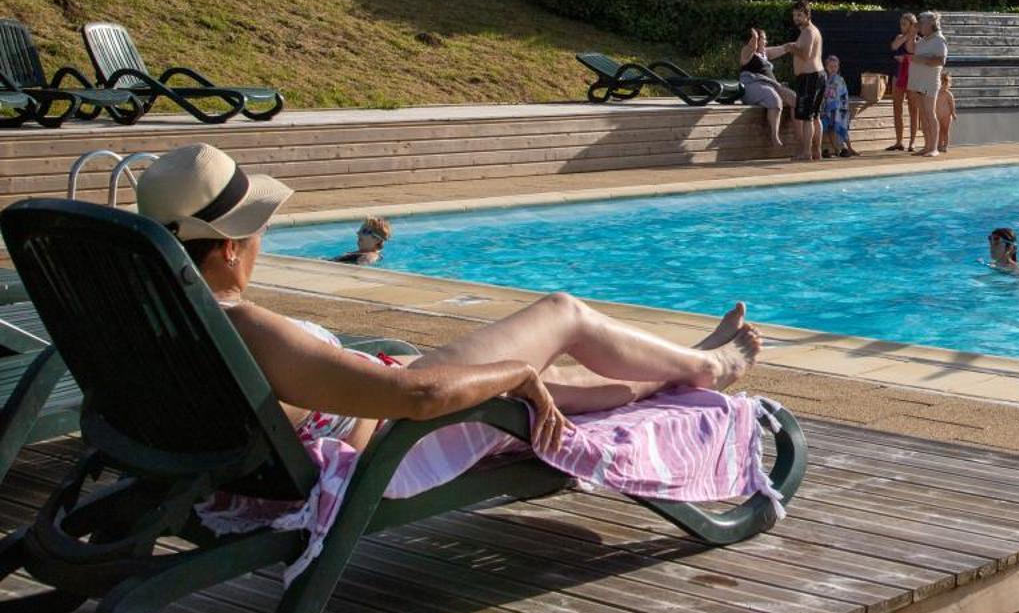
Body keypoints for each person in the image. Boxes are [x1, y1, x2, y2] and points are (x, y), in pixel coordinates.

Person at [133, 143, 762, 459]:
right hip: (390, 421)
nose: (262, 238)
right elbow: (418, 398)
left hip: (354, 397)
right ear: (228, 248)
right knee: (562, 314)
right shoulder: (244, 327)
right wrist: (514, 375)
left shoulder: (149, 315)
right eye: (257, 229)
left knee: (558, 381)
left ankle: (683, 367)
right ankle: (706, 366)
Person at [764, 0, 825, 163]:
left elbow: (805, 55)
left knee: (807, 118)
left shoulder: (808, 32)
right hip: (817, 76)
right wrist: (790, 46)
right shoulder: (811, 31)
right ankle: (817, 151)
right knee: (815, 116)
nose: (796, 18)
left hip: (810, 77)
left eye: (799, 15)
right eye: (794, 15)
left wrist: (791, 47)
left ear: (807, 15)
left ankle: (806, 152)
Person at [738, 27, 797, 151]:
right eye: (764, 39)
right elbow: (751, 47)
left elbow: (783, 48)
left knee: (794, 98)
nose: (766, 42)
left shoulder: (765, 53)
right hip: (752, 84)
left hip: (770, 84)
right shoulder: (747, 52)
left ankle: (798, 135)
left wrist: (795, 45)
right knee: (774, 98)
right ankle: (774, 136)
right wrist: (754, 37)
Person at [906, 10, 948, 156]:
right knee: (923, 114)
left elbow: (941, 61)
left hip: (929, 82)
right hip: (918, 81)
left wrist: (922, 60)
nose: (919, 26)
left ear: (930, 24)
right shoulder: (923, 40)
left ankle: (934, 148)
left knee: (930, 113)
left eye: (921, 23)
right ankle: (927, 146)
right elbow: (910, 48)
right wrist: (912, 34)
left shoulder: (939, 40)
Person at [887, 13, 919, 151]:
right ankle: (899, 141)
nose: (901, 27)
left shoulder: (918, 41)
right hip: (898, 75)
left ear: (912, 25)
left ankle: (912, 142)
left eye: (904, 24)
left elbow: (914, 54)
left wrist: (905, 58)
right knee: (897, 108)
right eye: (901, 24)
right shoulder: (900, 37)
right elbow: (894, 46)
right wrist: (907, 35)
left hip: (912, 77)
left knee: (913, 109)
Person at [819, 55, 855, 158]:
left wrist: (844, 107)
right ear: (826, 67)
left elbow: (843, 94)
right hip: (827, 109)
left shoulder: (840, 80)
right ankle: (835, 149)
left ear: (838, 67)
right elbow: (823, 94)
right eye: (831, 66)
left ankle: (848, 148)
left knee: (841, 127)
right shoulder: (824, 79)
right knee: (828, 128)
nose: (833, 69)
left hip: (839, 108)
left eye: (835, 66)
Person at [936, 71, 958, 154]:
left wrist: (953, 113)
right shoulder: (937, 93)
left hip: (947, 116)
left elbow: (952, 104)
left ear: (949, 84)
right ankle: (939, 145)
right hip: (938, 114)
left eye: (946, 84)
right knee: (939, 130)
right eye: (942, 84)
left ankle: (945, 145)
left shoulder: (948, 94)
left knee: (945, 130)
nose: (944, 86)